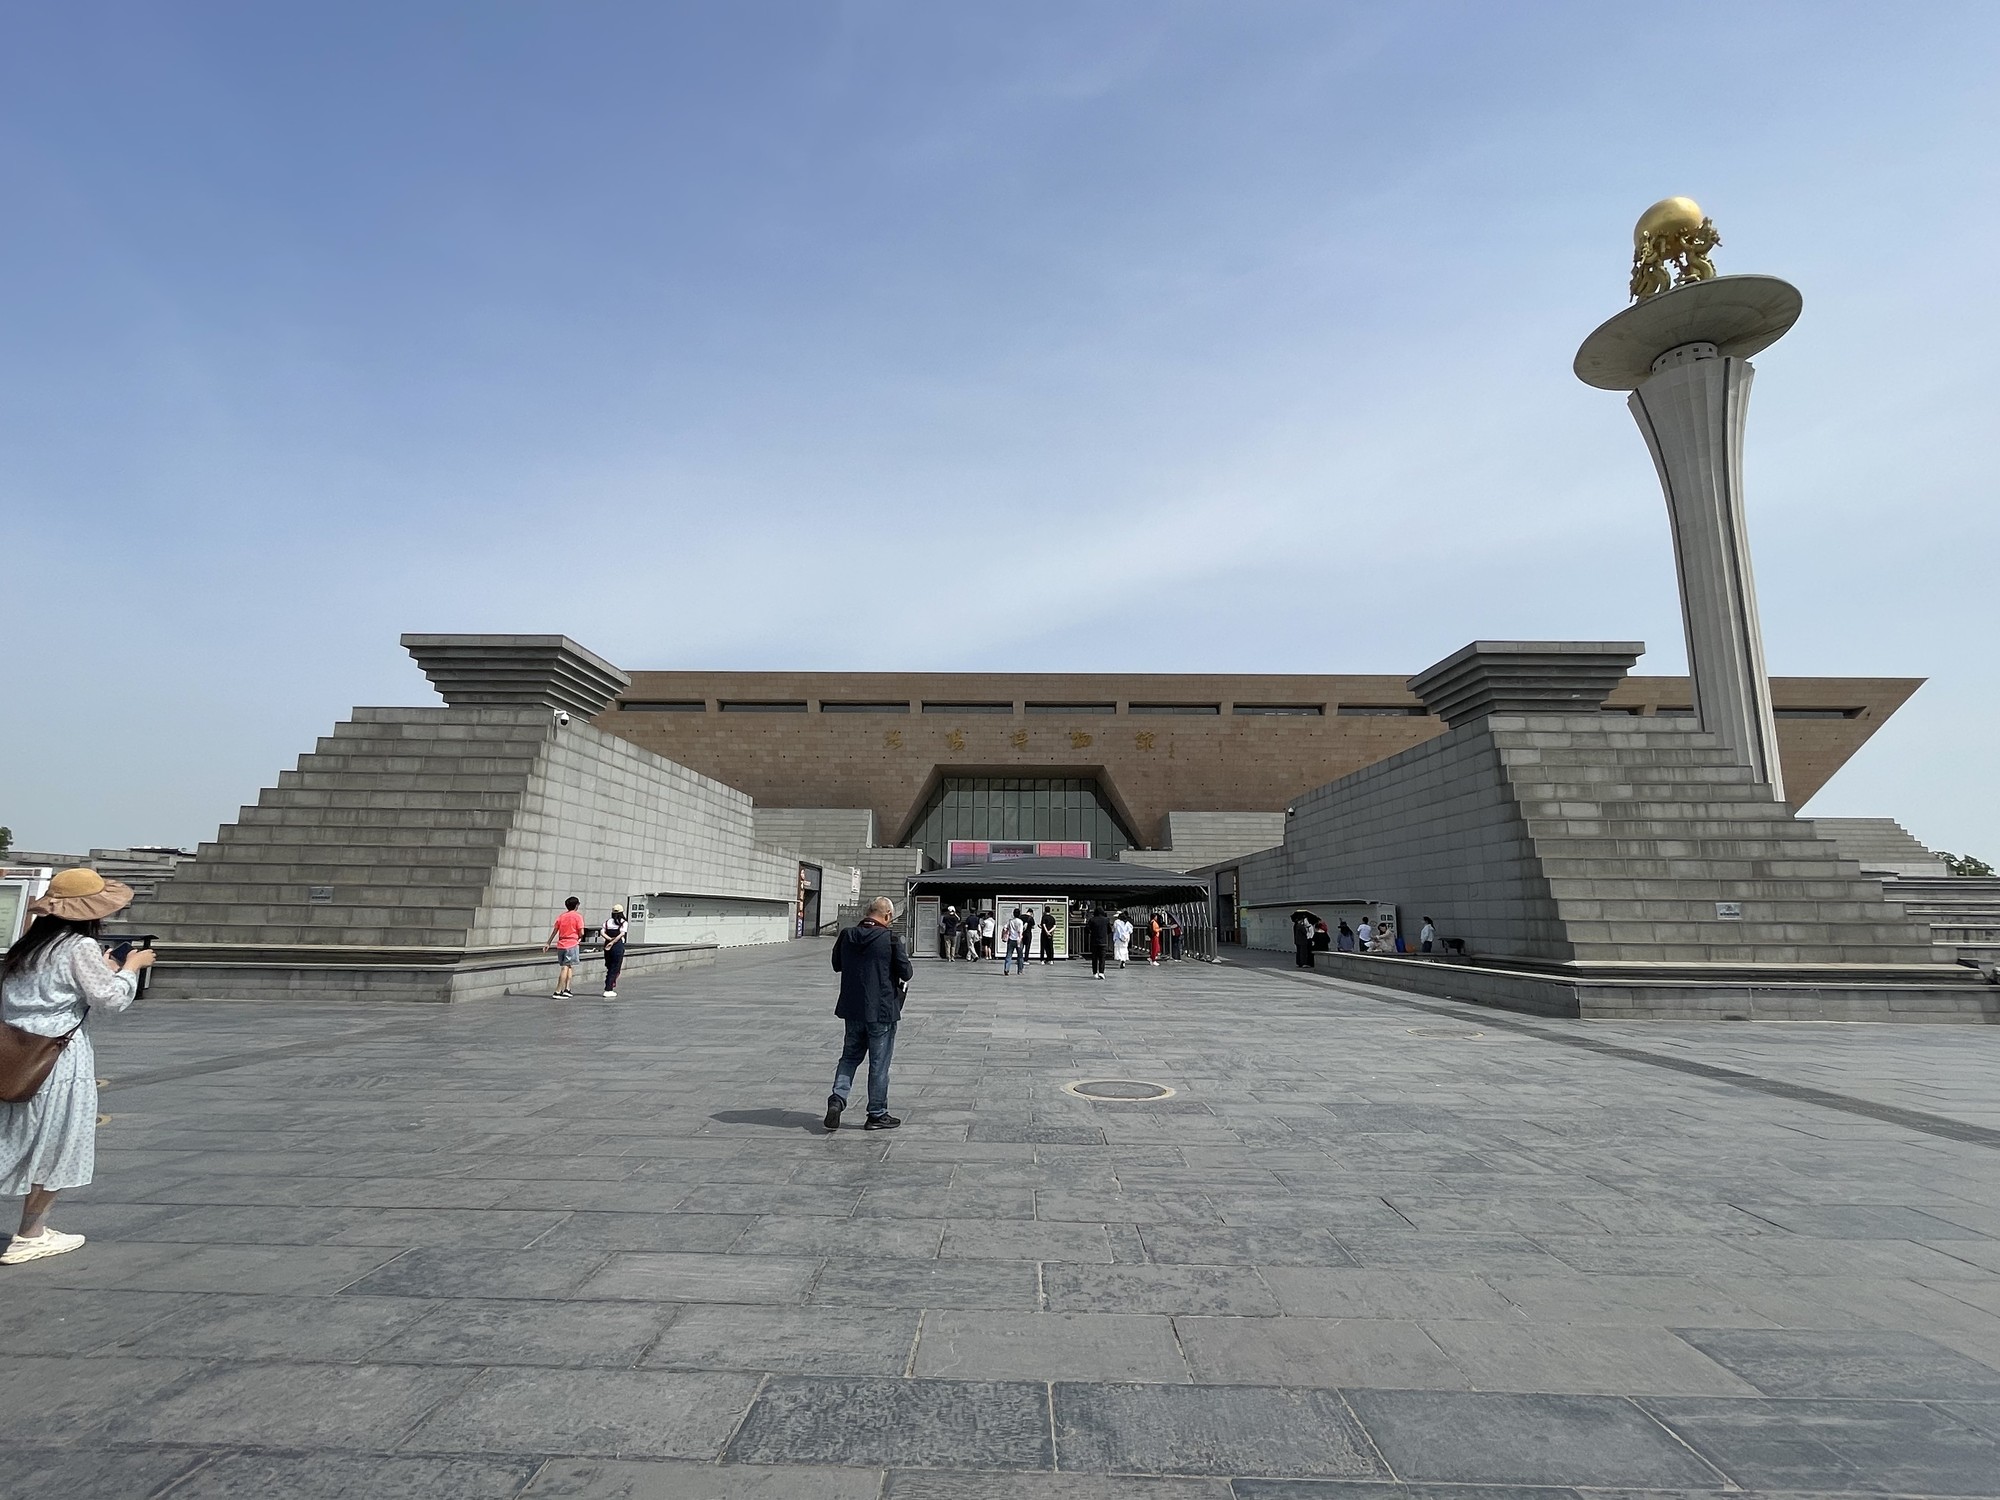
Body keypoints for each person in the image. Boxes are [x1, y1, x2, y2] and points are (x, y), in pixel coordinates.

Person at [2, 868, 154, 1265]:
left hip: (15, 1052)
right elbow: (109, 999)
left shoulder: (29, 946)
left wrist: (103, 969)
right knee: (56, 1141)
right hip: (57, 1058)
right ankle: (31, 1233)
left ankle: (33, 1231)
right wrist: (131, 968)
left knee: (14, 1137)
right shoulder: (79, 946)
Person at [825, 896, 912, 1132]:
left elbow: (837, 964)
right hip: (881, 1010)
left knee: (849, 1057)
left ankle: (837, 1099)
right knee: (879, 1064)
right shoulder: (889, 939)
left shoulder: (847, 935)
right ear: (887, 916)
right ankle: (876, 1113)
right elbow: (906, 972)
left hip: (853, 1009)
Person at [543, 896, 586, 997]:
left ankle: (567, 988)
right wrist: (579, 938)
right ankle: (558, 991)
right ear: (577, 905)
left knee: (569, 965)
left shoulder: (562, 916)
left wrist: (548, 943)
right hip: (572, 944)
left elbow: (555, 931)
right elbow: (582, 932)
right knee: (565, 967)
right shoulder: (578, 916)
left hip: (561, 944)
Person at [599, 905, 629, 997]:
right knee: (615, 967)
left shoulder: (608, 922)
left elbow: (602, 932)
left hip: (607, 945)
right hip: (617, 945)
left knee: (609, 966)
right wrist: (613, 942)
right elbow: (622, 934)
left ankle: (609, 984)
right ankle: (609, 988)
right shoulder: (623, 922)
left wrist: (609, 939)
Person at [1085, 904, 1112, 979]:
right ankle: (1101, 972)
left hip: (1094, 941)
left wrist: (1091, 932)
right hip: (1103, 941)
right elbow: (1109, 930)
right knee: (1102, 958)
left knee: (1094, 958)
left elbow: (1087, 929)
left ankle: (1095, 972)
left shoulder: (1092, 920)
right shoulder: (1106, 920)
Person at [1003, 909, 1026, 975]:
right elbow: (1020, 931)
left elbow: (1005, 928)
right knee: (1020, 956)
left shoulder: (1010, 921)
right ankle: (1020, 970)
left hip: (1011, 939)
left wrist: (1006, 933)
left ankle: (1006, 969)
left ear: (1013, 914)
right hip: (1018, 940)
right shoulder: (1020, 922)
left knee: (1009, 955)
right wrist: (1020, 938)